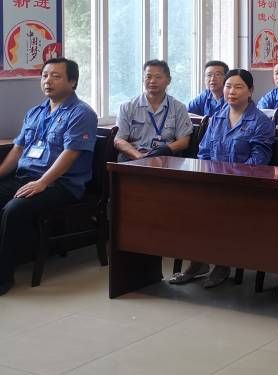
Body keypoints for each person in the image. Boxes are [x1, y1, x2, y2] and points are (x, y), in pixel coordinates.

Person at [0, 58, 98, 296]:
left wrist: (43, 182)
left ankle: (3, 276)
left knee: (14, 209)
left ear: (72, 82)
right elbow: (18, 150)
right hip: (27, 177)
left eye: (56, 76)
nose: (48, 81)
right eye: (45, 75)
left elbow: (70, 154)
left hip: (61, 184)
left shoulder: (82, 113)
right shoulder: (35, 112)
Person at [171, 69, 275, 288]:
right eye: (228, 86)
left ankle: (221, 263)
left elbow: (258, 162)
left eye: (238, 87)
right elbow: (203, 152)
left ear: (250, 91)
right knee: (185, 204)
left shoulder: (261, 122)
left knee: (218, 208)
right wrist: (209, 178)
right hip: (213, 183)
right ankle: (198, 262)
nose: (231, 91)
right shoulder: (216, 118)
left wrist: (229, 180)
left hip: (244, 188)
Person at [114, 60, 192, 161]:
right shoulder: (127, 107)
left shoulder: (178, 108)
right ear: (143, 79)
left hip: (165, 159)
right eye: (148, 77)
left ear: (168, 80)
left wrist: (163, 151)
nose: (152, 81)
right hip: (133, 159)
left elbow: (184, 141)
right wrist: (140, 156)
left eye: (158, 77)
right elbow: (118, 140)